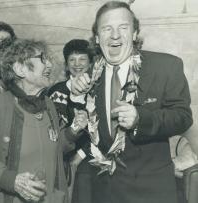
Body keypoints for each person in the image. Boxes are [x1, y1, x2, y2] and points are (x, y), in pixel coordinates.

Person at [70, 1, 193, 203]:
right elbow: (81, 131)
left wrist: (140, 119)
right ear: (97, 38)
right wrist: (75, 97)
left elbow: (183, 117)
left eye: (123, 28)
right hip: (105, 192)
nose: (115, 35)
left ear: (135, 33)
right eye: (107, 29)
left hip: (152, 192)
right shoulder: (90, 76)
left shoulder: (166, 66)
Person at [0, 39, 88, 203]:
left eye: (48, 59)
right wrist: (11, 180)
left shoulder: (48, 104)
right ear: (20, 69)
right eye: (42, 58)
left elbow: (52, 148)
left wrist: (73, 131)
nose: (49, 64)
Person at [48, 39, 95, 188]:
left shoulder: (97, 92)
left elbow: (100, 130)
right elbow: (54, 127)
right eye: (72, 60)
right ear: (67, 65)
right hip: (60, 157)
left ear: (90, 64)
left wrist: (79, 156)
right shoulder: (57, 91)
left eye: (82, 59)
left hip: (90, 158)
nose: (77, 64)